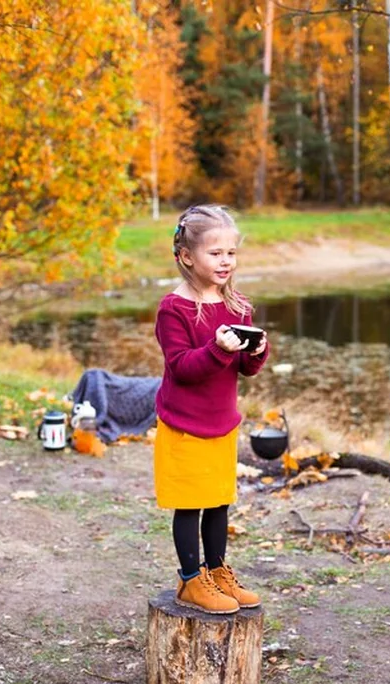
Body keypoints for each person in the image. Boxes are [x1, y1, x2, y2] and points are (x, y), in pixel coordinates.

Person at [154, 205, 269, 614]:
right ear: (187, 256)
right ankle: (190, 581)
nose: (226, 261)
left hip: (222, 425)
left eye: (231, 253)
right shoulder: (175, 309)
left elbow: (246, 369)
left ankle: (217, 570)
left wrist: (256, 350)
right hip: (184, 426)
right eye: (215, 253)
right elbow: (183, 368)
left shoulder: (237, 306)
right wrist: (217, 349)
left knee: (219, 501)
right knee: (190, 503)